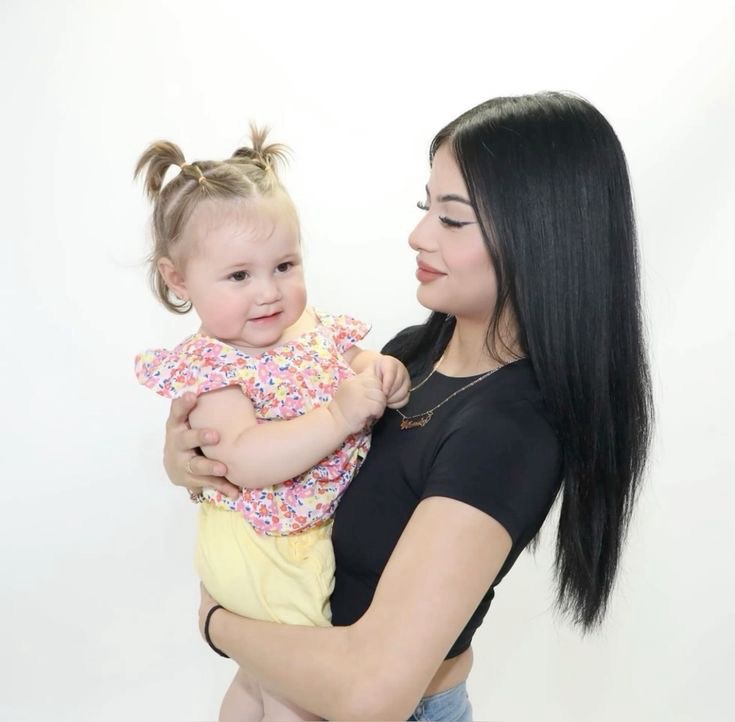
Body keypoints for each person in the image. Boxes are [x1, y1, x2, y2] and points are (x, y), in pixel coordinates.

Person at [162, 92, 653, 721]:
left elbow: (372, 693)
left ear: (540, 234)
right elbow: (277, 461)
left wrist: (217, 624)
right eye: (426, 208)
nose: (418, 236)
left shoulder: (512, 429)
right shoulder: (407, 356)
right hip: (283, 683)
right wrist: (193, 461)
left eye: (452, 219)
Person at [133, 127, 410, 722]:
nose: (268, 293)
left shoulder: (303, 326)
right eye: (239, 276)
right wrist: (337, 414)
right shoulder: (217, 366)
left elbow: (343, 359)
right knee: (300, 687)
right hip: (267, 545)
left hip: (285, 539)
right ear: (178, 280)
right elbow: (245, 460)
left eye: (284, 265)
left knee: (260, 680)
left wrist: (378, 370)